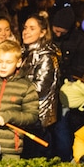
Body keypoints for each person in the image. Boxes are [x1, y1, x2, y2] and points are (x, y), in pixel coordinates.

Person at [20, 14, 62, 155]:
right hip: (26, 112)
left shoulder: (46, 56)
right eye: (25, 28)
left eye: (32, 28)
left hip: (39, 117)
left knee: (37, 155)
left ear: (43, 32)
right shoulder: (26, 52)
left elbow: (40, 88)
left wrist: (15, 91)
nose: (26, 32)